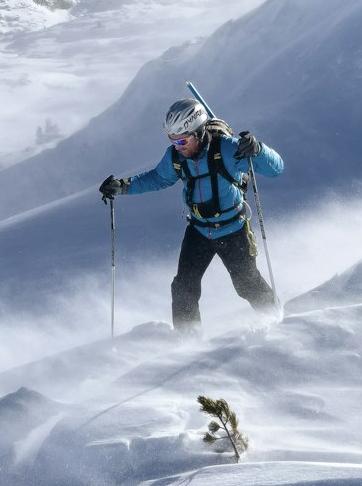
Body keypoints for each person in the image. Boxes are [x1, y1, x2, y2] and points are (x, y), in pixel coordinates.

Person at [99, 97, 284, 331]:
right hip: (198, 231)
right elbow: (158, 178)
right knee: (184, 287)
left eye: (183, 141)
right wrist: (123, 186)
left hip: (233, 229)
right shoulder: (175, 156)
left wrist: (257, 150)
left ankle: (277, 323)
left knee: (246, 284)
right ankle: (187, 343)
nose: (178, 146)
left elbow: (276, 169)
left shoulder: (228, 149)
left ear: (197, 132)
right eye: (173, 141)